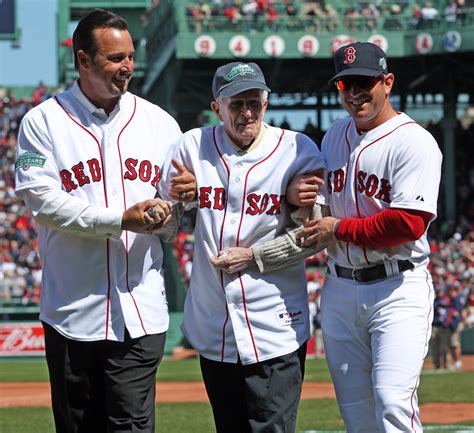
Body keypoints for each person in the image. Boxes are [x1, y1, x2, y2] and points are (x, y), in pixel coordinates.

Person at [214, 42, 443, 432]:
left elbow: (408, 224)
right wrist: (296, 200)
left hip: (396, 287)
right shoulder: (335, 135)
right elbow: (315, 209)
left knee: (392, 404)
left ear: (387, 82)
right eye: (345, 85)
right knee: (356, 414)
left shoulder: (413, 141)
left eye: (363, 83)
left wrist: (337, 228)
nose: (353, 93)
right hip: (340, 289)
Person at [14, 9, 195, 433]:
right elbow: (41, 202)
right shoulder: (42, 122)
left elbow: (171, 222)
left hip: (141, 309)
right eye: (115, 58)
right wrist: (120, 219)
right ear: (84, 60)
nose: (126, 66)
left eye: (130, 56)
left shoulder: (160, 124)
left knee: (131, 425)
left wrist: (179, 205)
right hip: (73, 312)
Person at [159, 61, 327, 433]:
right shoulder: (191, 146)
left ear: (266, 103)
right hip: (214, 322)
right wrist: (176, 200)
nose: (247, 112)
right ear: (217, 107)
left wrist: (299, 209)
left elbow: (316, 233)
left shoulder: (297, 149)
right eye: (236, 104)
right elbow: (163, 227)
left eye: (254, 101)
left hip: (276, 323)